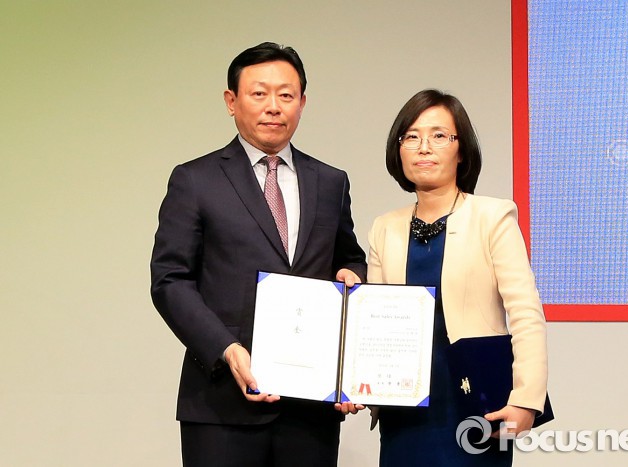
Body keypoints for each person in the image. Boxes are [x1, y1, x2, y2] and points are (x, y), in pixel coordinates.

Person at [150, 42, 367, 467]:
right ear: (231, 101)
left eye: (286, 95)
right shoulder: (195, 180)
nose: (273, 106)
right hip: (221, 403)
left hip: (311, 409)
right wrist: (227, 349)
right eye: (259, 93)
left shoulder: (331, 181)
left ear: (302, 103)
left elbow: (349, 257)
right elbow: (170, 280)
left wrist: (351, 276)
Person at [368, 89, 548, 466]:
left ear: (461, 150)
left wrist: (525, 399)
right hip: (405, 410)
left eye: (439, 136)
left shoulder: (493, 217)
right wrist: (355, 383)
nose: (424, 147)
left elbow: (526, 313)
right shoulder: (384, 228)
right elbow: (373, 326)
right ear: (398, 150)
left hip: (476, 404)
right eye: (411, 137)